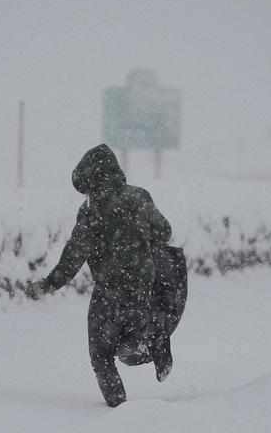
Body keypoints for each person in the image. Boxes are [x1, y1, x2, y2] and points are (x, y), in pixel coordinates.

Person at [28, 144, 173, 408]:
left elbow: (73, 255)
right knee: (132, 337)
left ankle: (119, 411)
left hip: (110, 291)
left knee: (102, 354)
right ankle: (154, 338)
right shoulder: (140, 196)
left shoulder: (91, 211)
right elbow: (164, 232)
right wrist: (140, 242)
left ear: (91, 179)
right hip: (143, 286)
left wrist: (48, 284)